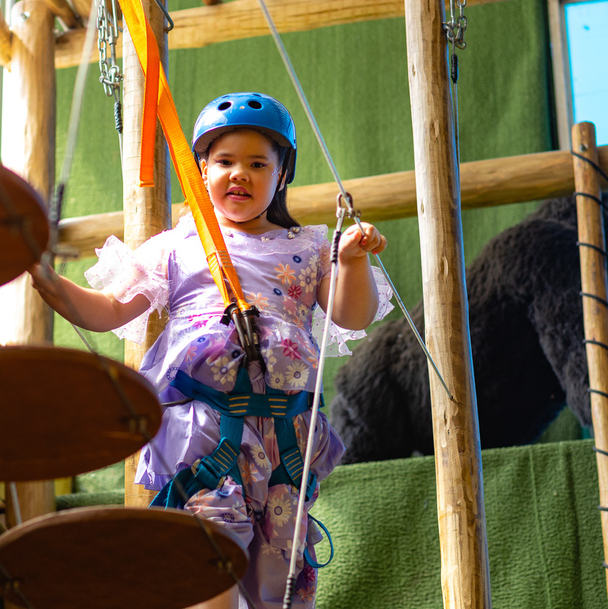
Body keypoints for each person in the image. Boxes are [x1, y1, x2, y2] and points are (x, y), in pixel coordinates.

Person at [29, 93, 393, 609]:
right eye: (224, 162)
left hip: (284, 437)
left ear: (282, 176)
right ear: (202, 171)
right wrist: (51, 283)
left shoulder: (310, 246)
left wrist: (351, 261)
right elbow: (110, 309)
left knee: (278, 573)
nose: (239, 173)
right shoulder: (178, 246)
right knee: (211, 547)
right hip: (204, 426)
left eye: (257, 164)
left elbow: (350, 314)